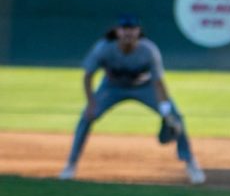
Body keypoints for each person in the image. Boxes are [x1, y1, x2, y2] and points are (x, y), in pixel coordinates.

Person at [60, 14, 204, 184]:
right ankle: (70, 164)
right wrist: (91, 103)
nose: (128, 33)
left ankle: (190, 163)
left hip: (144, 87)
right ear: (117, 31)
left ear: (138, 32)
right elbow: (88, 76)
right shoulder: (104, 48)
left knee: (176, 118)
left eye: (132, 29)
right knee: (86, 117)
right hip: (112, 87)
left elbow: (158, 82)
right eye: (124, 29)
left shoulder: (148, 50)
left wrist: (166, 113)